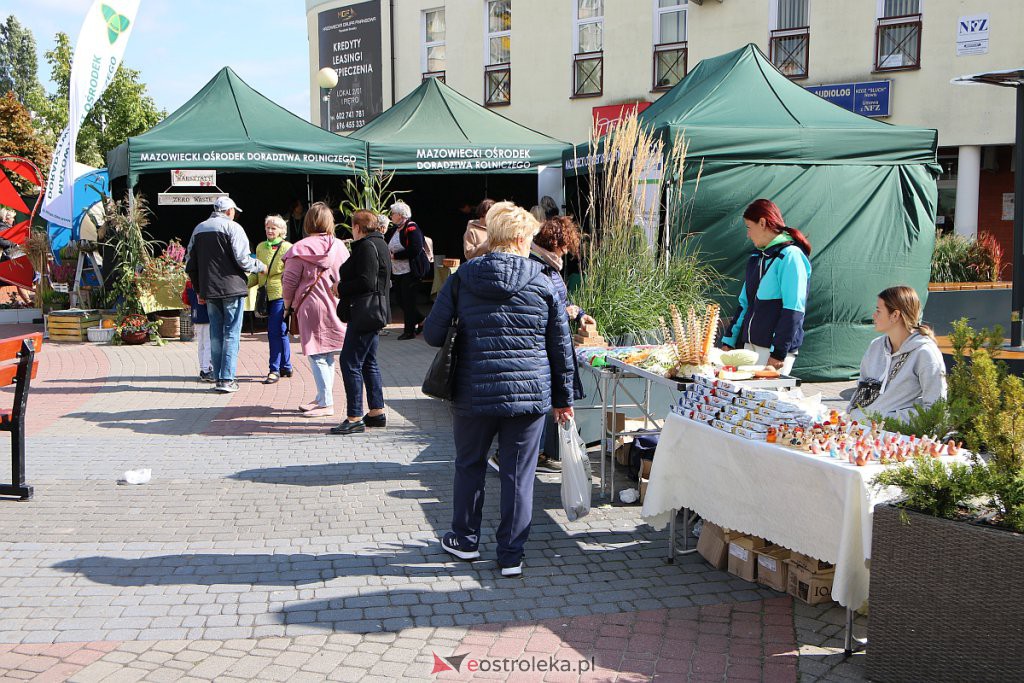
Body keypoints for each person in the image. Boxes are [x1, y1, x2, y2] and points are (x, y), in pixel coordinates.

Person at [423, 201, 575, 578]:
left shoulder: (463, 276)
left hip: (473, 390)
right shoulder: (543, 280)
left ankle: (465, 539)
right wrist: (564, 400)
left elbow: (432, 334)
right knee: (518, 475)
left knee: (469, 465)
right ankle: (510, 555)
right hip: (529, 393)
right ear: (523, 238)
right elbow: (561, 347)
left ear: (493, 235)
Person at [720, 198, 812, 375]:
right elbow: (744, 304)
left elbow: (794, 310)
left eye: (749, 227)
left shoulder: (791, 256)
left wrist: (778, 354)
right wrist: (728, 341)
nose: (748, 234)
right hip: (749, 348)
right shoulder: (756, 257)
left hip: (773, 354)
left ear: (762, 223)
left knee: (766, 401)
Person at [185, 196, 266, 393]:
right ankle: (227, 379)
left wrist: (198, 289)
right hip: (232, 288)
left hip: (210, 290)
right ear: (229, 211)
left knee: (215, 334)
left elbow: (190, 263)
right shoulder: (234, 228)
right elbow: (243, 260)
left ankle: (217, 376)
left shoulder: (199, 228)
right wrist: (260, 266)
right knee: (231, 333)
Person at [281, 202, 349, 418]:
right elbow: (346, 274)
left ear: (308, 222)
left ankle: (326, 402)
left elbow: (289, 282)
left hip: (310, 305)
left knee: (316, 353)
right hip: (334, 302)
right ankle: (322, 397)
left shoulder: (299, 248)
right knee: (326, 353)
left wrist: (287, 306)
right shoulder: (339, 246)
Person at [331, 209, 392, 435]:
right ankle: (376, 411)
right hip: (373, 311)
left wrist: (340, 288)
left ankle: (355, 416)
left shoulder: (367, 246)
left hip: (365, 312)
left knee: (350, 362)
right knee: (368, 362)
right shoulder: (380, 243)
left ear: (357, 228)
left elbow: (367, 281)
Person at [848, 286, 947, 422]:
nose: (874, 315)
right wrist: (849, 414)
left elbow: (935, 409)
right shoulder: (876, 347)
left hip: (897, 437)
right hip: (859, 432)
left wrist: (887, 421)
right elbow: (861, 390)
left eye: (878, 310)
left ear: (895, 315)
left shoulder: (925, 354)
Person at [250, 215, 293, 384]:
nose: (269, 230)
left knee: (274, 331)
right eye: (267, 227)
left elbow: (289, 273)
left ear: (282, 231)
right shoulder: (261, 247)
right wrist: (242, 286)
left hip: (280, 295)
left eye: (273, 228)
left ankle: (274, 369)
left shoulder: (288, 248)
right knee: (280, 331)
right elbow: (256, 272)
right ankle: (287, 366)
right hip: (265, 294)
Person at [387, 200, 429, 340]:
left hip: (411, 271)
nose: (391, 216)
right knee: (400, 299)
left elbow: (415, 249)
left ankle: (409, 331)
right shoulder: (396, 229)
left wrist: (395, 255)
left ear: (400, 215)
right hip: (398, 271)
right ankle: (422, 320)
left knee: (408, 300)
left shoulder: (412, 228)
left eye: (393, 214)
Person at [183, 279, 213, 382]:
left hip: (196, 315)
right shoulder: (206, 281)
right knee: (209, 343)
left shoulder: (189, 282)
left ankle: (203, 368)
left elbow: (185, 299)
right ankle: (208, 369)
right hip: (208, 315)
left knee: (201, 344)